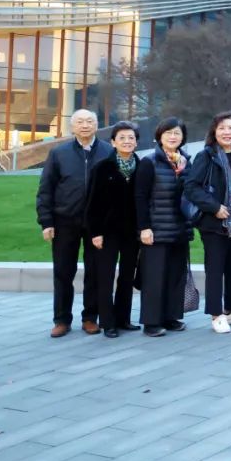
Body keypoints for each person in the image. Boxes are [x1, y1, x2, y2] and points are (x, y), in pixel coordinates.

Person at [37, 109, 113, 337]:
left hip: (97, 224)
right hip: (65, 221)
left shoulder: (109, 152)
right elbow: (46, 189)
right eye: (80, 121)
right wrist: (46, 221)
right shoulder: (58, 153)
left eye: (90, 121)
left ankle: (90, 317)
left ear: (96, 125)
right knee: (63, 272)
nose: (85, 125)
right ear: (72, 126)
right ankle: (62, 319)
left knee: (95, 272)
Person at [184, 112, 231, 334]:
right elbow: (191, 187)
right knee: (215, 270)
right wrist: (215, 207)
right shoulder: (206, 156)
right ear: (214, 132)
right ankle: (216, 315)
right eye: (222, 128)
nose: (227, 132)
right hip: (214, 224)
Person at [135, 117, 194, 337]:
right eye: (168, 132)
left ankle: (171, 317)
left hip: (180, 229)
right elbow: (140, 197)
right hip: (156, 230)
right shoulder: (149, 162)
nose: (172, 136)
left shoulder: (186, 163)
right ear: (160, 136)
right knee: (154, 277)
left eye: (177, 133)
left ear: (183, 138)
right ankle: (151, 322)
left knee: (175, 276)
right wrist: (144, 228)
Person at [85, 121, 142, 338]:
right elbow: (93, 203)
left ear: (136, 142)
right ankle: (108, 322)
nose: (127, 141)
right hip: (107, 233)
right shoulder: (103, 167)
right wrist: (95, 232)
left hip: (131, 233)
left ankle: (123, 319)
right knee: (105, 277)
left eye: (131, 138)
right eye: (122, 138)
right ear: (113, 142)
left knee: (127, 276)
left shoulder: (142, 166)